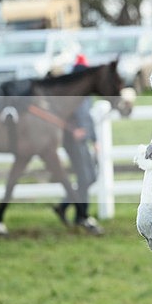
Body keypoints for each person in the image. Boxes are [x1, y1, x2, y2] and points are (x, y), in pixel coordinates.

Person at [53, 54, 103, 235]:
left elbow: (88, 117)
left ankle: (65, 205)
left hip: (85, 141)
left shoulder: (85, 93)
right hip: (73, 142)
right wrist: (73, 130)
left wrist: (95, 139)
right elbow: (59, 116)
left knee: (90, 177)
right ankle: (82, 216)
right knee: (85, 178)